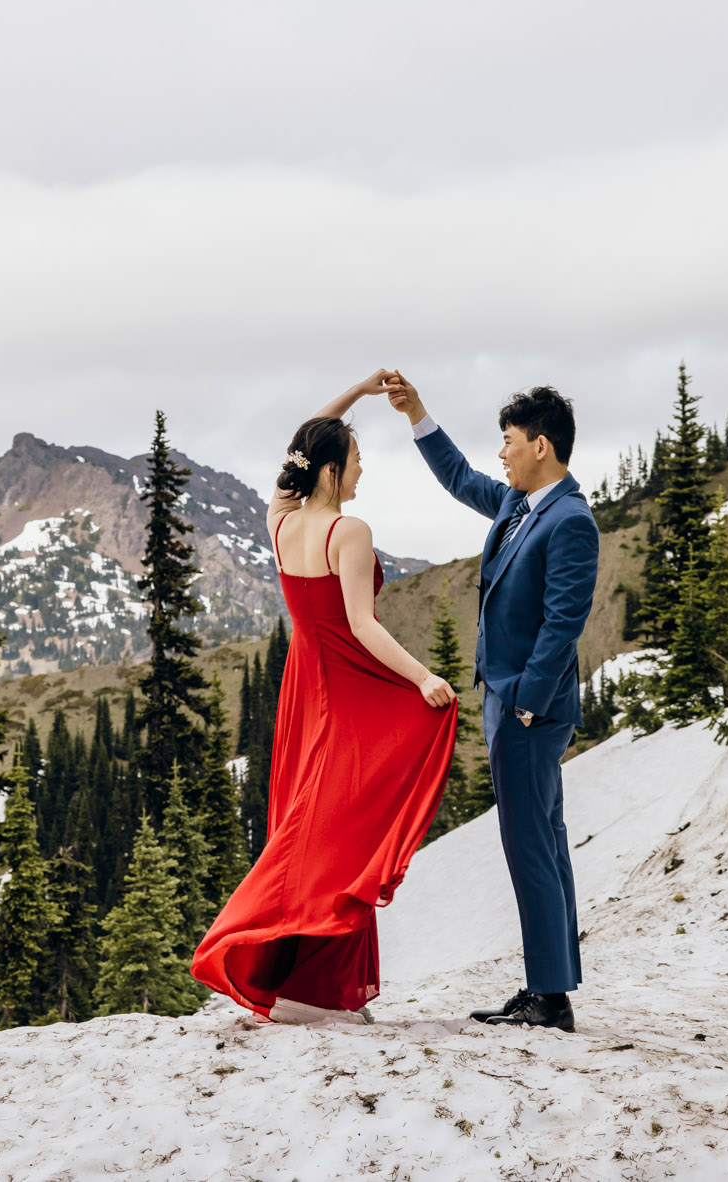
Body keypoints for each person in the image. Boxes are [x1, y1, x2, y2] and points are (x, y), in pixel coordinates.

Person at [189, 370, 459, 1025]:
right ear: (333, 470)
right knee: (339, 833)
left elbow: (297, 449)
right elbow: (363, 626)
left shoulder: (280, 523)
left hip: (302, 688)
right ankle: (259, 950)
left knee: (310, 825)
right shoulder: (350, 532)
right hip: (345, 687)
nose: (364, 472)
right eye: (358, 461)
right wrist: (423, 678)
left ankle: (310, 985)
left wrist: (359, 394)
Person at [384, 373, 598, 1032]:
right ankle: (552, 984)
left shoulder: (570, 521)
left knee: (530, 844)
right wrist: (417, 414)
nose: (500, 455)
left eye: (507, 442)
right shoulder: (517, 502)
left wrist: (528, 701)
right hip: (508, 699)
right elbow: (457, 478)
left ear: (540, 445)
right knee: (546, 840)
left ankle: (548, 998)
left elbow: (565, 623)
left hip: (528, 707)